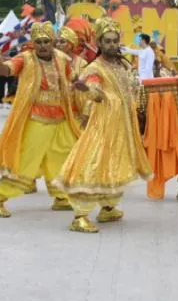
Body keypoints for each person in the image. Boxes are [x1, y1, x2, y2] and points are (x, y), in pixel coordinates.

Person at [55, 17, 152, 233]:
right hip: (104, 124)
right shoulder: (95, 68)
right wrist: (86, 89)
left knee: (115, 163)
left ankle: (108, 207)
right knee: (95, 162)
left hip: (122, 125)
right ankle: (80, 215)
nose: (111, 45)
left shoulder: (122, 64)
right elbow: (96, 93)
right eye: (107, 41)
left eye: (114, 41)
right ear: (99, 43)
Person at [0, 22, 81, 218]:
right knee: (25, 159)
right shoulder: (25, 59)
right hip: (37, 117)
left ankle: (61, 196)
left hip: (61, 117)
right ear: (33, 43)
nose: (43, 45)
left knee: (65, 156)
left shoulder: (62, 58)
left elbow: (74, 79)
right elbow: (5, 70)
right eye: (39, 42)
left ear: (52, 42)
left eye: (46, 41)